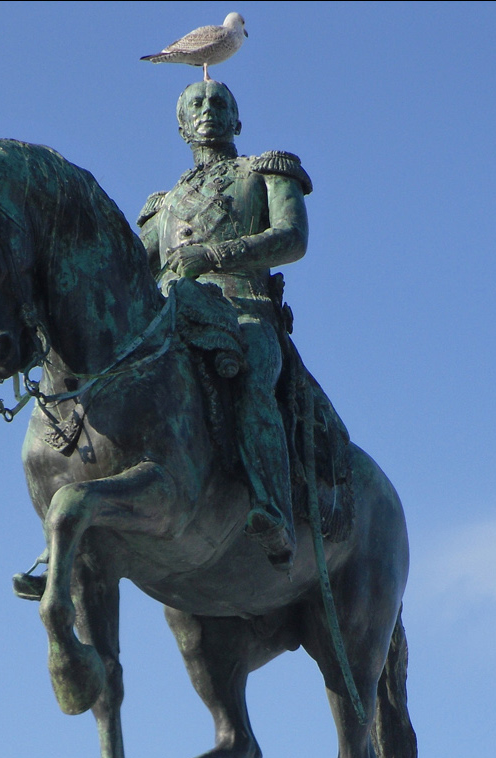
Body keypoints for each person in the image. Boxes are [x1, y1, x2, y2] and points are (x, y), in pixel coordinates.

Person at [138, 79, 312, 567]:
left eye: (219, 102)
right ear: (181, 124)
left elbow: (292, 237)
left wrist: (215, 254)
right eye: (196, 103)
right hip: (175, 313)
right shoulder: (162, 204)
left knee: (253, 384)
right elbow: (135, 267)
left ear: (237, 120)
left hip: (245, 310)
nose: (207, 109)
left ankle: (272, 509)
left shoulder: (266, 171)